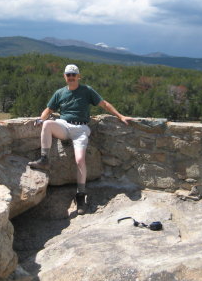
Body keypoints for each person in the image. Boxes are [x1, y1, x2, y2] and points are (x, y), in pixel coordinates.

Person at [28, 64, 132, 215]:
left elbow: (104, 104)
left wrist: (120, 116)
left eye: (73, 74)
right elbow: (49, 110)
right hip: (63, 125)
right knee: (47, 124)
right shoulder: (60, 93)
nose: (71, 77)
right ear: (64, 76)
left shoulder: (87, 90)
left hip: (81, 129)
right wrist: (40, 118)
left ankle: (81, 195)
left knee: (79, 160)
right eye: (68, 74)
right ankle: (44, 159)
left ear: (78, 76)